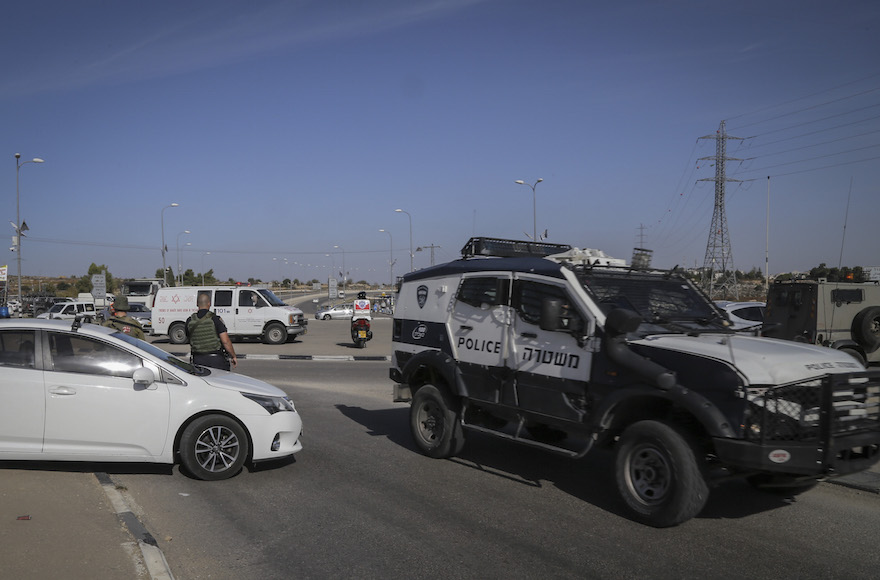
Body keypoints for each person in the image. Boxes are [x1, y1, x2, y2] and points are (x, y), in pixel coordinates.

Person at [187, 293, 238, 370]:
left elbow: (190, 339)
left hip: (197, 360)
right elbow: (225, 341)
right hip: (216, 360)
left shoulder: (189, 321)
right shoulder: (215, 319)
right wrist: (233, 356)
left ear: (197, 304)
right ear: (209, 303)